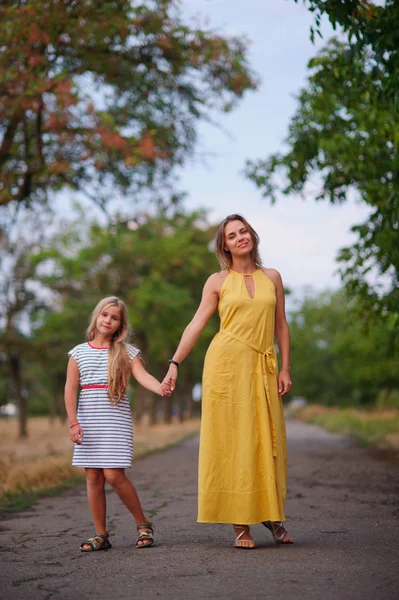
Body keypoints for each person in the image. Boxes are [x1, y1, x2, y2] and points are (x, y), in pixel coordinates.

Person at [162, 214, 293, 549]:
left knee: (268, 440)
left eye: (243, 231)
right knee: (233, 442)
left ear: (252, 235)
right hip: (225, 367)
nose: (240, 238)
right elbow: (196, 324)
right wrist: (175, 362)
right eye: (232, 235)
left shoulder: (273, 277)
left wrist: (285, 368)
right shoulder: (217, 281)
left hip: (262, 366)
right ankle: (240, 524)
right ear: (225, 246)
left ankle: (273, 516)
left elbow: (281, 326)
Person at [65, 296, 171, 552]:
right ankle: (101, 535)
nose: (108, 321)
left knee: (113, 474)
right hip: (88, 421)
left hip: (114, 420)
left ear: (120, 325)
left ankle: (143, 524)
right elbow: (69, 389)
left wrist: (161, 387)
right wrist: (73, 423)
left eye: (114, 318)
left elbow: (143, 376)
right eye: (105, 315)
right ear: (97, 316)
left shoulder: (125, 352)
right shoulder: (78, 352)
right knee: (93, 476)